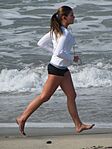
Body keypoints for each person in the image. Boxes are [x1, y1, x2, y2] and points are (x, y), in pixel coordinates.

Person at [16, 6, 94, 135]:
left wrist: (57, 54)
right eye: (72, 15)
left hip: (61, 68)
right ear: (64, 17)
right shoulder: (64, 33)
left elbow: (41, 43)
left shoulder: (56, 30)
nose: (74, 17)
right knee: (44, 97)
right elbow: (59, 52)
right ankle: (22, 118)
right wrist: (71, 58)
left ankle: (78, 125)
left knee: (71, 95)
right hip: (57, 69)